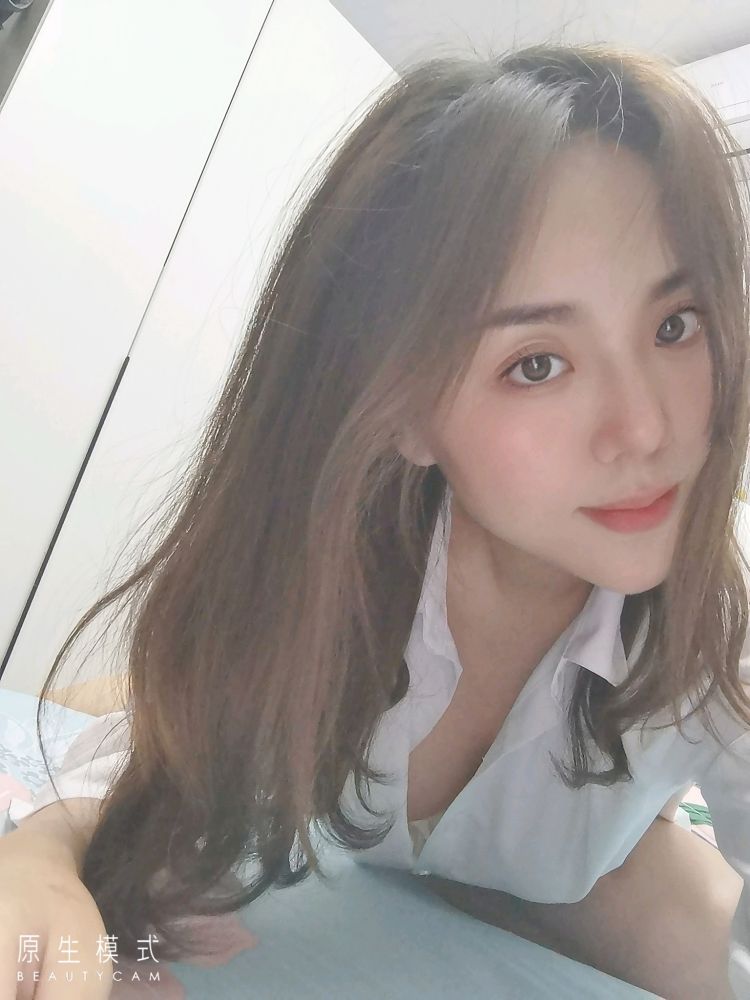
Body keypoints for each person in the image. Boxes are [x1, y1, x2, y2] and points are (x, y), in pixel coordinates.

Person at [2, 40, 750, 1000]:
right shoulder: (326, 577)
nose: (646, 429)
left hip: (602, 862)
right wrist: (42, 849)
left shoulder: (718, 633)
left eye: (675, 324)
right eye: (536, 363)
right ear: (404, 409)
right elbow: (170, 765)